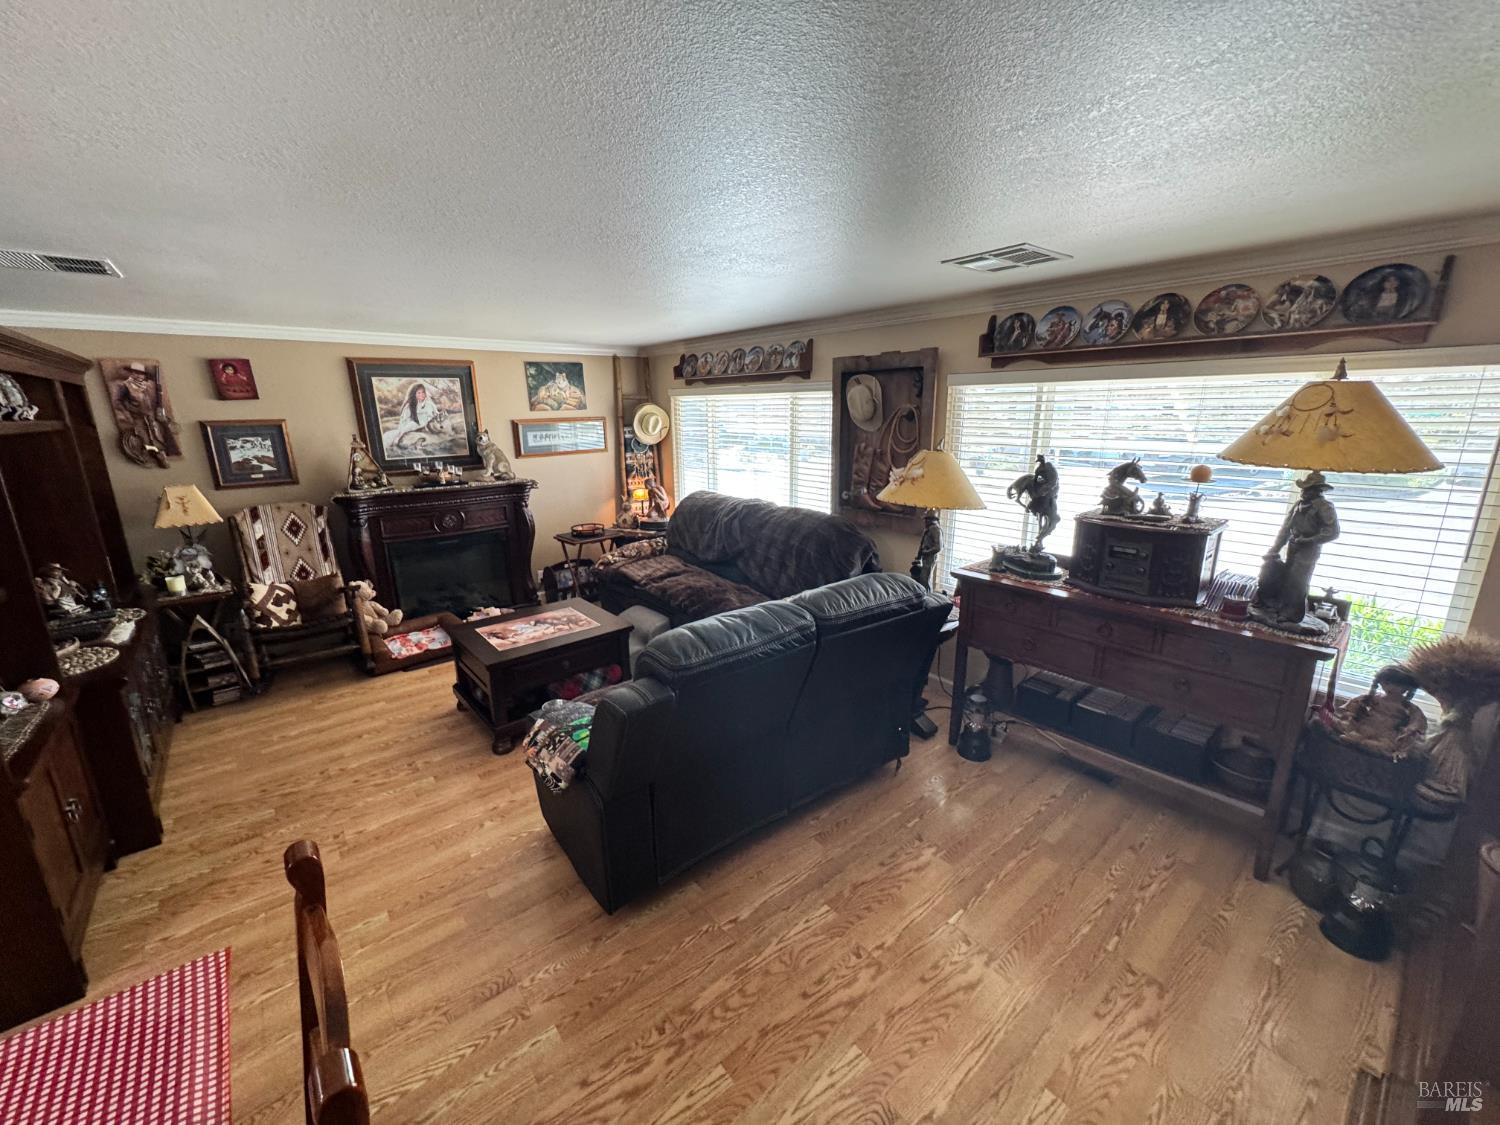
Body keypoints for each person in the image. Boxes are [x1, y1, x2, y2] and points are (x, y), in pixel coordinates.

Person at [1253, 471, 1341, 630]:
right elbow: (1285, 529)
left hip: (1309, 549)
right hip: (1293, 545)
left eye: (1307, 489)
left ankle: (1292, 614)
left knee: (1298, 580)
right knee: (1284, 575)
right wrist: (1275, 548)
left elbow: (1332, 532)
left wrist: (1308, 540)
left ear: (1317, 490)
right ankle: (1275, 606)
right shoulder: (1298, 505)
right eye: (1303, 488)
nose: (1303, 492)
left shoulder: (1325, 507)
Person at [382, 381, 439, 452]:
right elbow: (405, 421)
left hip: (427, 425)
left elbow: (436, 414)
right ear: (414, 394)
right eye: (419, 393)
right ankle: (398, 438)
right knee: (412, 424)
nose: (422, 394)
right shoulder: (410, 406)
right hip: (413, 426)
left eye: (423, 392)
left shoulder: (429, 404)